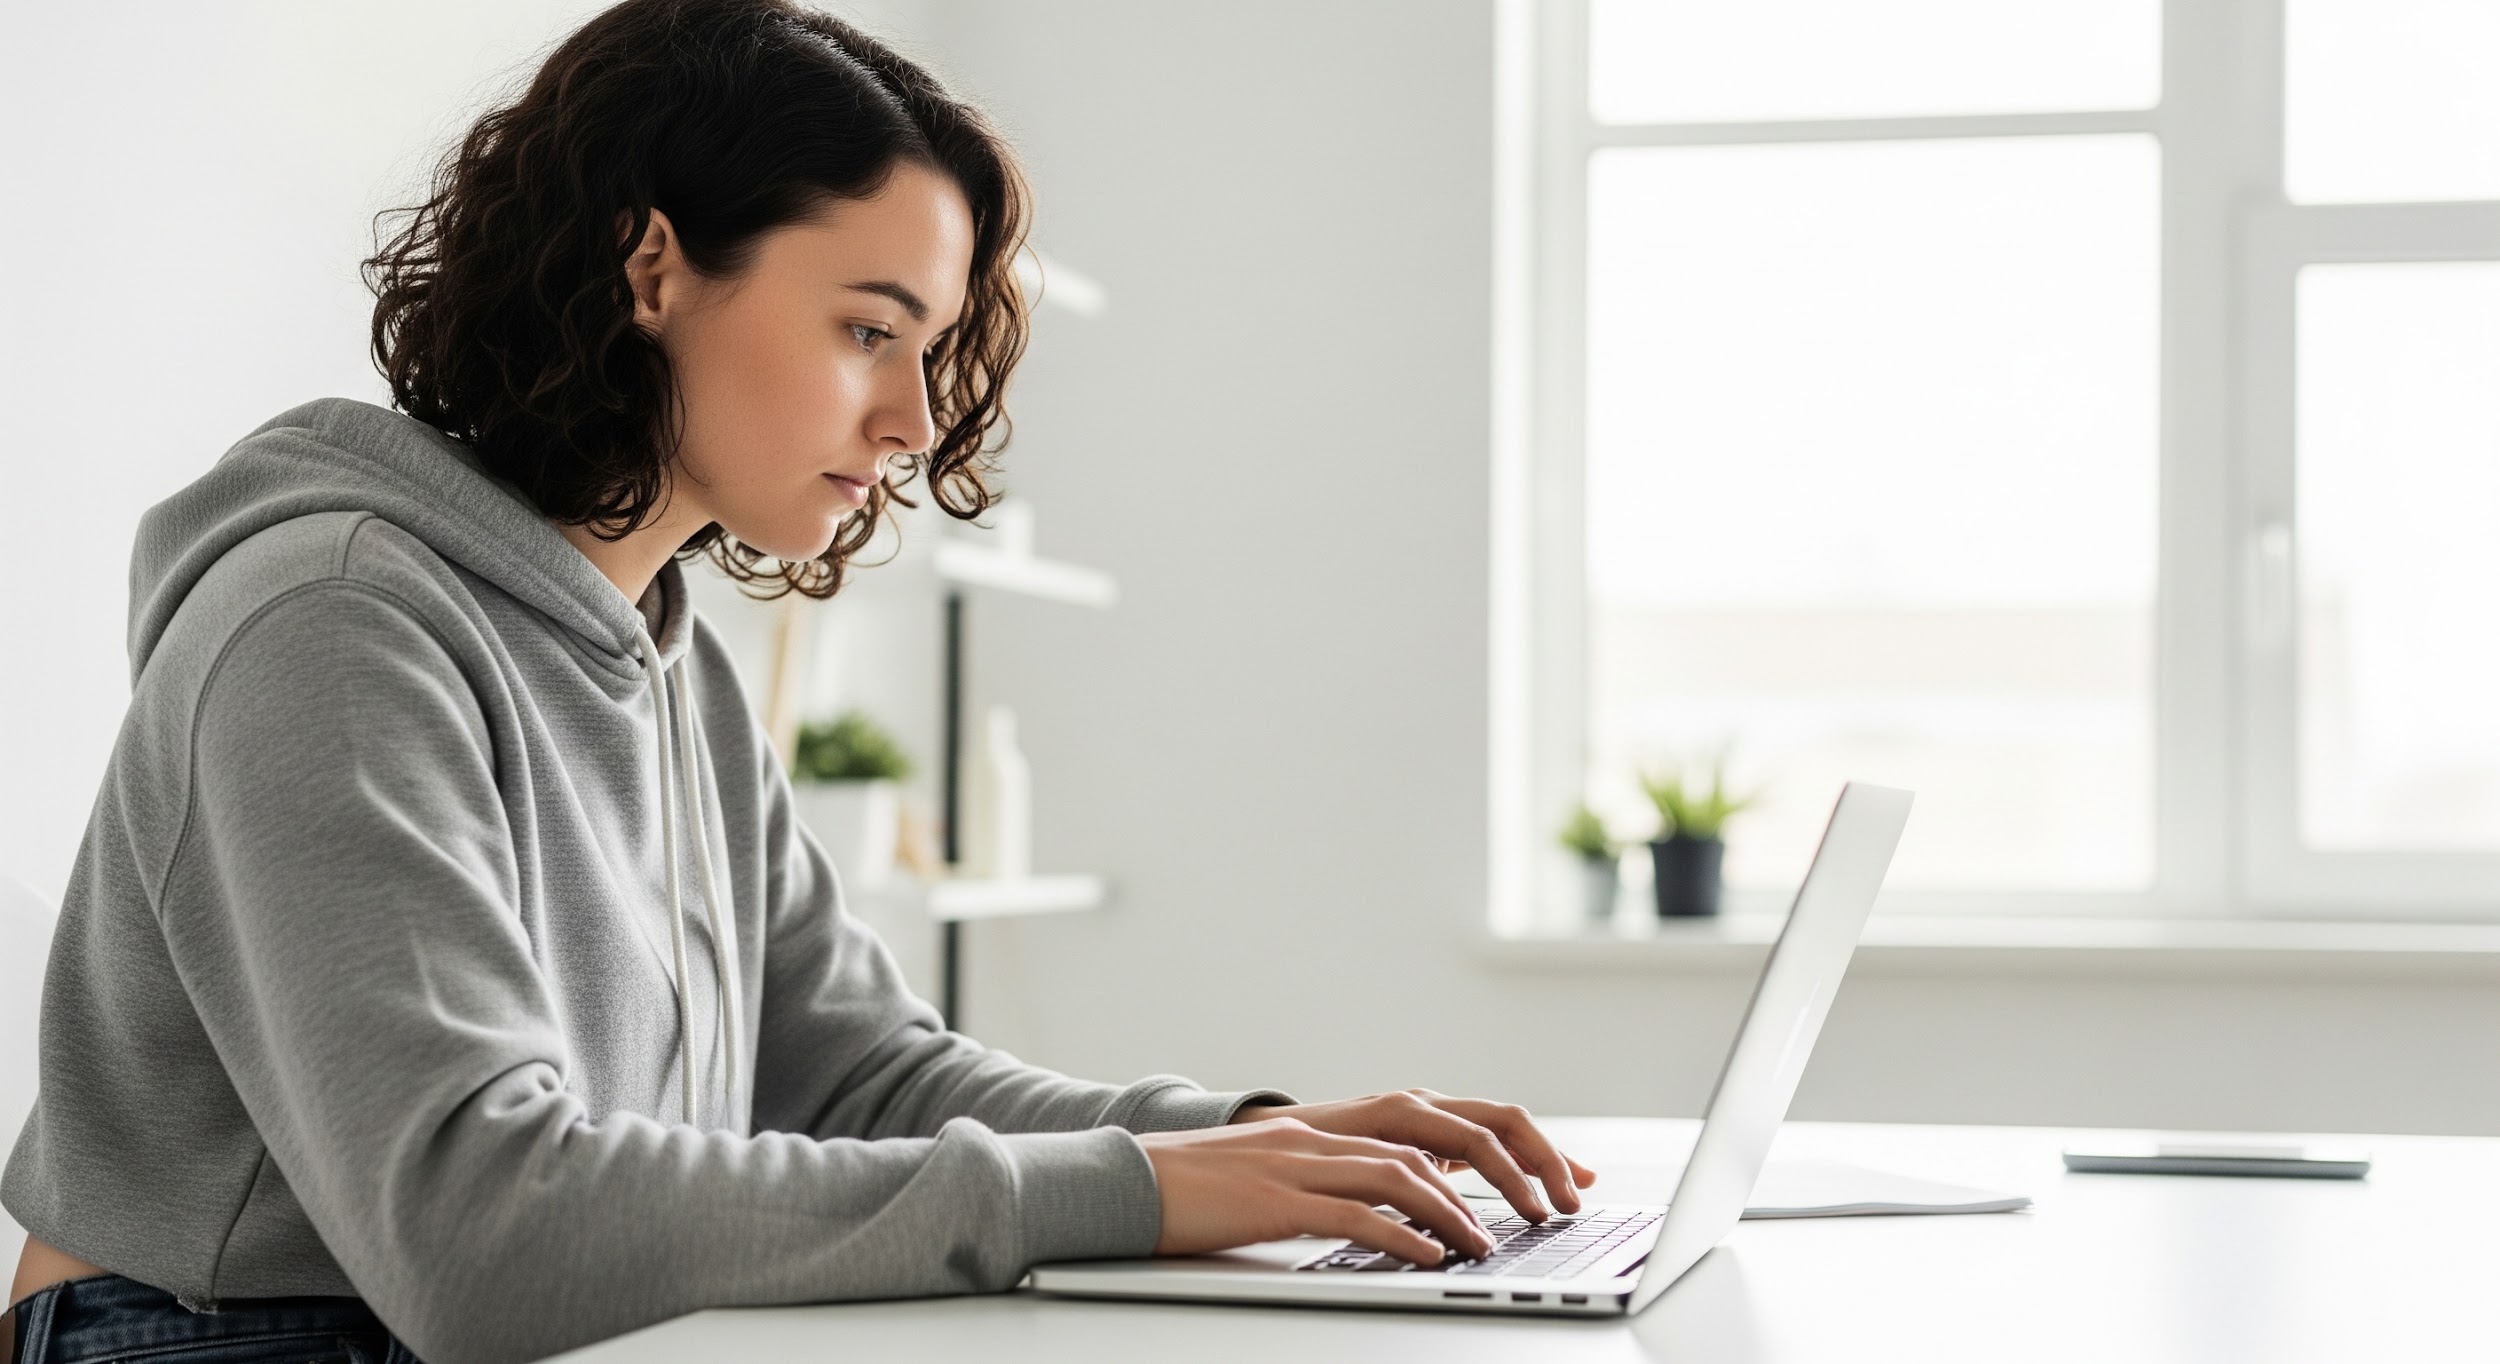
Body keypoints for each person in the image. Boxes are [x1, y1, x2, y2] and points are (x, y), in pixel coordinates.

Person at [0, 3, 1595, 1362]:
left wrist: (1243, 1138)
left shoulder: (658, 652)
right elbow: (476, 1227)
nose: (911, 417)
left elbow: (854, 1070)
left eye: (930, 345)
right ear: (652, 270)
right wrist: (1145, 1188)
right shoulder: (332, 627)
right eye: (865, 328)